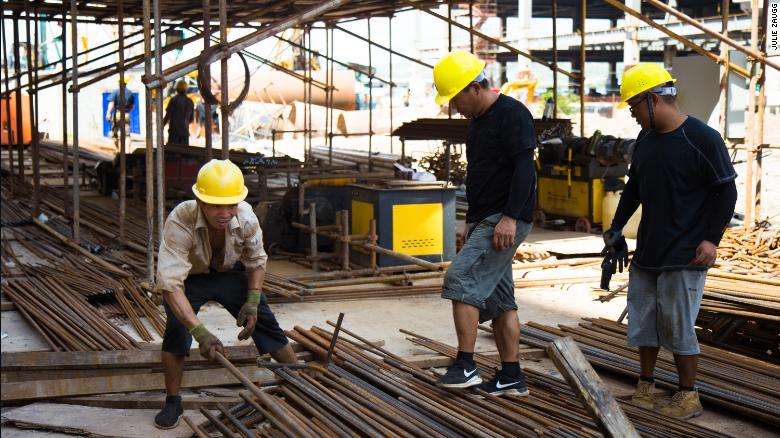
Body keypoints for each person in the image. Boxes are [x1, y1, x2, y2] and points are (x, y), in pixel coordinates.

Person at [603, 63, 737, 419]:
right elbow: (634, 187)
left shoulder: (702, 138)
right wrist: (616, 228)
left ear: (652, 100)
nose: (632, 114)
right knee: (644, 323)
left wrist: (711, 240)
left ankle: (688, 394)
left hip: (686, 252)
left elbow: (726, 191)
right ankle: (646, 384)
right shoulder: (645, 142)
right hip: (648, 250)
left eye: (634, 106)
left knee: (678, 326)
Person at [153, 159, 297, 429]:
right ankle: (173, 400)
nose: (224, 213)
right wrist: (200, 333)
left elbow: (256, 261)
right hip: (191, 278)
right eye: (216, 205)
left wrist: (252, 302)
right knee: (176, 328)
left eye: (230, 205)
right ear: (199, 200)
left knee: (265, 320)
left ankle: (300, 383)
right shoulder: (180, 219)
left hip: (229, 272)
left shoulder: (245, 216)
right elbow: (171, 283)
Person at [432, 51, 536, 396]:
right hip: (485, 218)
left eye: (456, 98)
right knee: (501, 299)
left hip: (504, 217)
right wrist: (470, 221)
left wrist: (510, 217)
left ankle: (466, 365)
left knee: (460, 278)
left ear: (474, 87)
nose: (454, 106)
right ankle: (511, 375)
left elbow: (525, 169)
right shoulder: (477, 123)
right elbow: (479, 175)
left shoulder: (513, 114)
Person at [105, 77, 135, 150]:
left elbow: (111, 103)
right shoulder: (130, 93)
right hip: (126, 114)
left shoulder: (116, 92)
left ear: (119, 83)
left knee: (115, 134)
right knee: (127, 135)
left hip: (117, 114)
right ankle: (127, 152)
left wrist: (108, 112)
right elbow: (132, 106)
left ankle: (118, 150)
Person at [163, 80, 194, 146]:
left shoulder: (173, 100)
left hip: (174, 133)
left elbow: (167, 116)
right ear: (186, 90)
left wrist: (161, 126)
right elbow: (191, 119)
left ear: (177, 89)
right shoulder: (190, 102)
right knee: (185, 154)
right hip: (185, 133)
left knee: (173, 154)